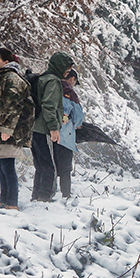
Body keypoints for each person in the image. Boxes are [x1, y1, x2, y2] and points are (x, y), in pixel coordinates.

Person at [0, 48, 32, 210]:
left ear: (6, 62)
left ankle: (12, 202)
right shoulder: (1, 77)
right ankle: (4, 200)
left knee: (8, 166)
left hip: (7, 130)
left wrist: (7, 129)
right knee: (2, 165)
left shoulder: (11, 78)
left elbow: (13, 105)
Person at [31, 51, 74, 202]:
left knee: (40, 165)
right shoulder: (53, 81)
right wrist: (53, 128)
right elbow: (49, 106)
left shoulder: (42, 78)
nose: (67, 73)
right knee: (50, 165)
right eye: (66, 70)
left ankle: (36, 196)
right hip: (44, 129)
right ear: (59, 66)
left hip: (34, 127)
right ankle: (44, 197)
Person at [56, 68, 84, 198]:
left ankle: (46, 194)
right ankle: (65, 194)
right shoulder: (69, 92)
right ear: (72, 79)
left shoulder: (51, 86)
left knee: (49, 165)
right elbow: (78, 117)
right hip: (65, 135)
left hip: (46, 132)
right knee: (65, 168)